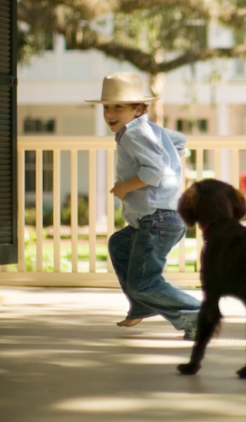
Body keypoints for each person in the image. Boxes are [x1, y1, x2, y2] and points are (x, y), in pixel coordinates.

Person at [86, 72, 201, 338]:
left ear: (139, 109)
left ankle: (197, 313)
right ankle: (141, 306)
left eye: (118, 107)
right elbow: (180, 141)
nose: (110, 113)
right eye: (106, 107)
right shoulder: (150, 130)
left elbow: (154, 171)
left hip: (157, 219)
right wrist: (173, 157)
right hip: (164, 217)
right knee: (119, 244)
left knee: (144, 283)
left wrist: (125, 186)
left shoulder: (133, 135)